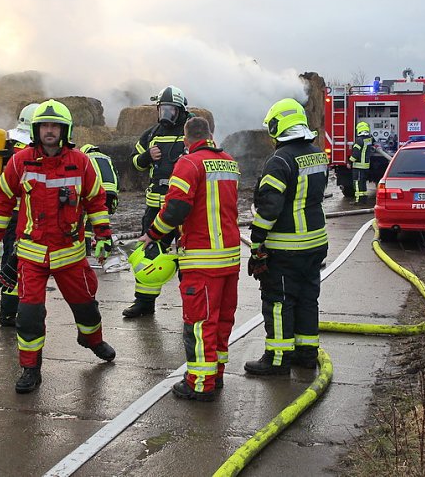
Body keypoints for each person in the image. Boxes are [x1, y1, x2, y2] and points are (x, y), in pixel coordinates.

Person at [0, 99, 116, 394]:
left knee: (86, 308)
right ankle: (31, 369)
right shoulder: (20, 162)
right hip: (32, 254)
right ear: (36, 129)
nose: (49, 131)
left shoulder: (81, 163)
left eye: (54, 126)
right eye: (44, 125)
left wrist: (103, 235)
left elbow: (95, 200)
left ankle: (92, 341)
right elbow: (3, 200)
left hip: (70, 253)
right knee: (29, 315)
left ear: (64, 130)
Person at [140, 116, 240, 401]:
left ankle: (199, 383)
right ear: (211, 134)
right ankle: (215, 374)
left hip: (202, 258)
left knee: (199, 324)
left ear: (186, 140)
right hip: (230, 258)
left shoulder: (189, 163)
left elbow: (175, 209)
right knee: (221, 321)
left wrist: (153, 234)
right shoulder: (230, 162)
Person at [245, 98, 329, 376]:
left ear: (277, 126)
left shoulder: (279, 160)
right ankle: (306, 353)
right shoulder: (317, 154)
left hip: (286, 246)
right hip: (316, 242)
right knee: (307, 299)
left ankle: (278, 359)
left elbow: (270, 207)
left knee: (279, 301)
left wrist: (257, 241)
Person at [123, 85, 192, 318]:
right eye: (163, 109)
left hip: (184, 209)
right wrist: (146, 156)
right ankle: (144, 302)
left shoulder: (190, 132)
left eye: (171, 110)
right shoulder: (151, 134)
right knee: (149, 252)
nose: (165, 115)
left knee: (188, 255)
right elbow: (134, 163)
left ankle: (191, 306)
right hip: (155, 206)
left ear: (181, 110)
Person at [0, 102, 40, 327]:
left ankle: (10, 311)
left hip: (8, 212)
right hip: (27, 214)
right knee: (23, 263)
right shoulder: (34, 147)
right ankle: (11, 313)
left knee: (10, 259)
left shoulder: (5, 141)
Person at [80, 144, 120, 258]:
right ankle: (108, 246)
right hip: (111, 190)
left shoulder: (85, 158)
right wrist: (116, 194)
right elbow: (116, 176)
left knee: (87, 220)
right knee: (103, 219)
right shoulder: (106, 158)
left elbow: (86, 177)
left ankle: (86, 249)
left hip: (97, 190)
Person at [349, 121, 374, 204]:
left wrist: (349, 162)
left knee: (357, 183)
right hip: (366, 165)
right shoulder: (369, 139)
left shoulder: (359, 140)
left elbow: (355, 154)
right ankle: (363, 199)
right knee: (363, 183)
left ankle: (358, 200)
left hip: (358, 166)